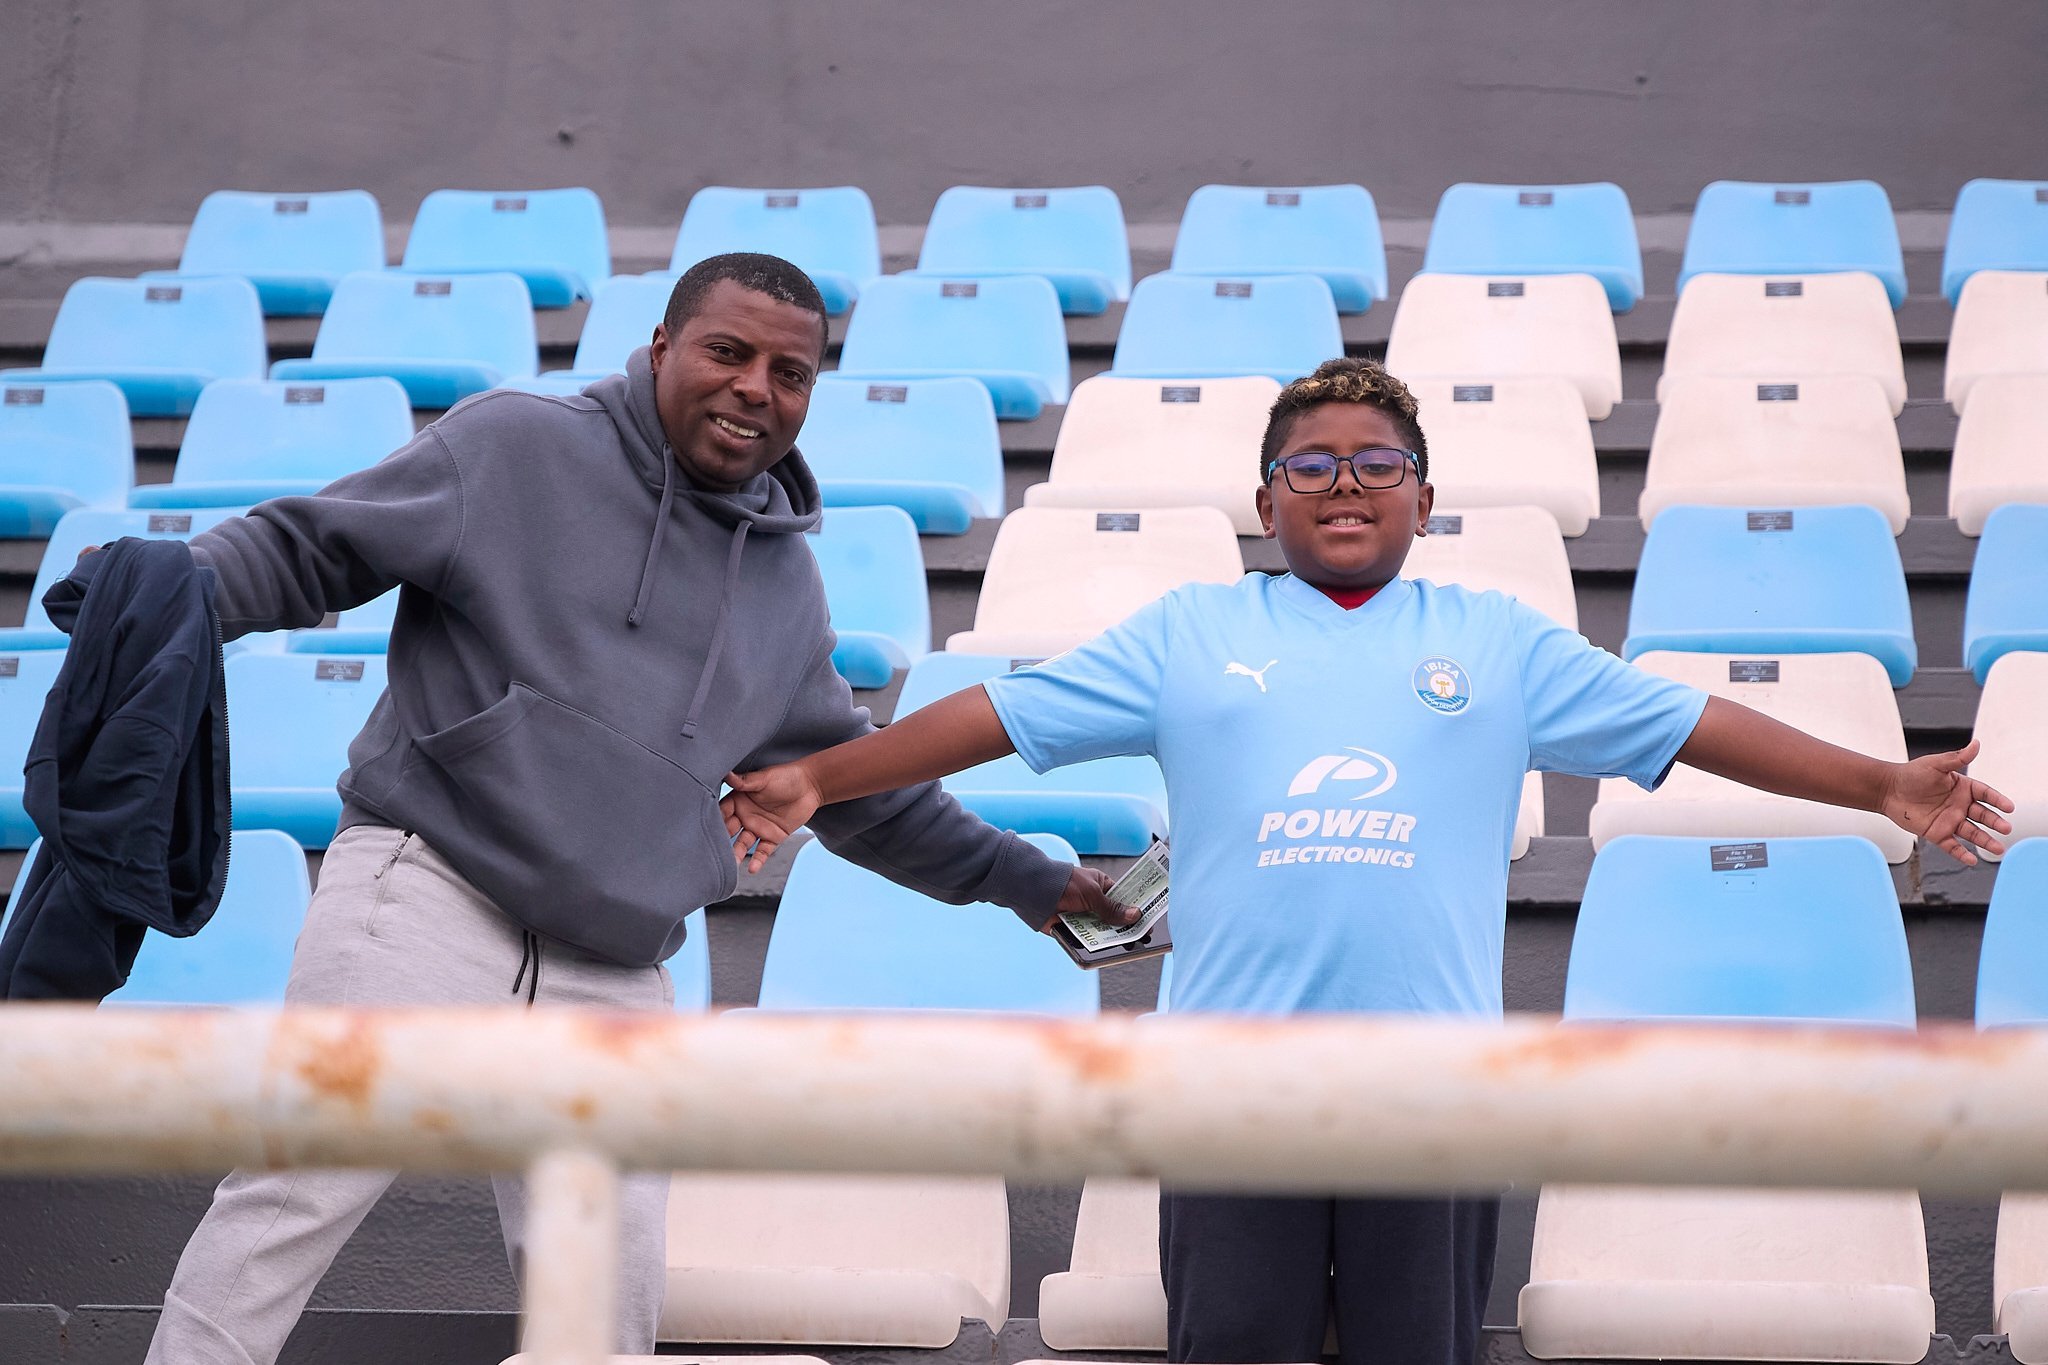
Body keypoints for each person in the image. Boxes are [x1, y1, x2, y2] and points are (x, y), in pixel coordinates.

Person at [720, 356, 2013, 1365]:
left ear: (1423, 500)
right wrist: (825, 775)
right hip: (1226, 1092)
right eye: (1311, 465)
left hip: (1430, 1092)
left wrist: (1882, 784)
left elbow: (1693, 725)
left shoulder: (1498, 640)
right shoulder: (1188, 632)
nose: (1344, 483)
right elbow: (996, 716)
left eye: (1377, 463)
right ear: (1266, 500)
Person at [139, 251, 1126, 1365]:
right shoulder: (514, 444)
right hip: (427, 892)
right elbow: (313, 545)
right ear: (661, 348)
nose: (755, 388)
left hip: (609, 962)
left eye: (790, 374)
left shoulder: (783, 587)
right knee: (296, 1192)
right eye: (727, 352)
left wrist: (1034, 883)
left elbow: (856, 790)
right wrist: (162, 594)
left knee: (606, 1306)